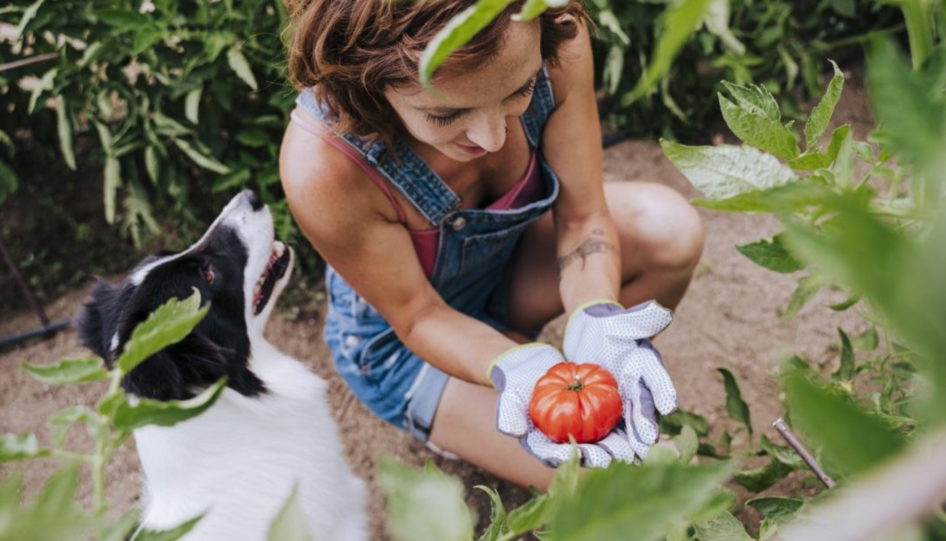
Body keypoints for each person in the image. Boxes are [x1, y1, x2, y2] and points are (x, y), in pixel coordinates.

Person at [279, 0, 705, 491]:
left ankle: (548, 361)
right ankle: (471, 400)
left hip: (508, 268)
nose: (493, 137)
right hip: (409, 345)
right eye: (446, 113)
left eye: (520, 89)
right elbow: (418, 316)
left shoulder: (557, 37)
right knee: (634, 489)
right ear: (368, 85)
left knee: (668, 229)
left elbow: (584, 217)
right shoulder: (324, 167)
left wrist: (596, 315)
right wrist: (512, 364)